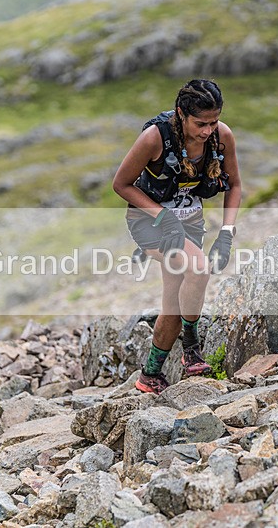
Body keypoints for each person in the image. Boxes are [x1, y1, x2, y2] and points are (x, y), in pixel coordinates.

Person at [112, 79, 242, 395]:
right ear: (181, 113)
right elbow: (121, 184)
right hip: (150, 220)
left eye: (213, 122)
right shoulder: (154, 138)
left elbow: (235, 185)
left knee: (175, 297)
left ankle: (150, 375)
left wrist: (226, 233)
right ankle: (191, 346)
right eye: (200, 123)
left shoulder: (221, 136)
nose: (208, 131)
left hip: (191, 221)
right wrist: (163, 216)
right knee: (198, 269)